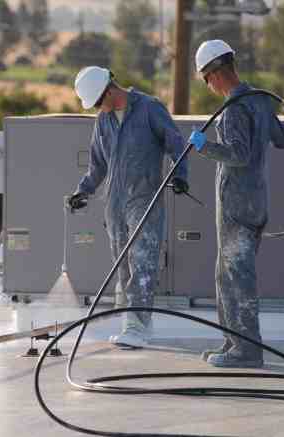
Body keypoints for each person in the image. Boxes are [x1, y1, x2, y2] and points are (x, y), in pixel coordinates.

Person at [188, 40, 284, 367]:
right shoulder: (259, 100)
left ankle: (247, 351)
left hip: (236, 207)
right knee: (226, 276)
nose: (208, 85)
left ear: (215, 73)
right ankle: (232, 344)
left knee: (237, 279)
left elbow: (238, 154)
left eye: (206, 78)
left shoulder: (232, 110)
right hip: (256, 203)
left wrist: (205, 147)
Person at [67, 66, 189, 348]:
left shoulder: (150, 109)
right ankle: (134, 325)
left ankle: (137, 328)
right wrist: (83, 191)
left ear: (109, 89)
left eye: (98, 102)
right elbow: (97, 165)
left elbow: (176, 144)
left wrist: (181, 176)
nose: (98, 108)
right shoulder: (103, 121)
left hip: (144, 199)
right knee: (122, 267)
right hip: (115, 203)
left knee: (142, 264)